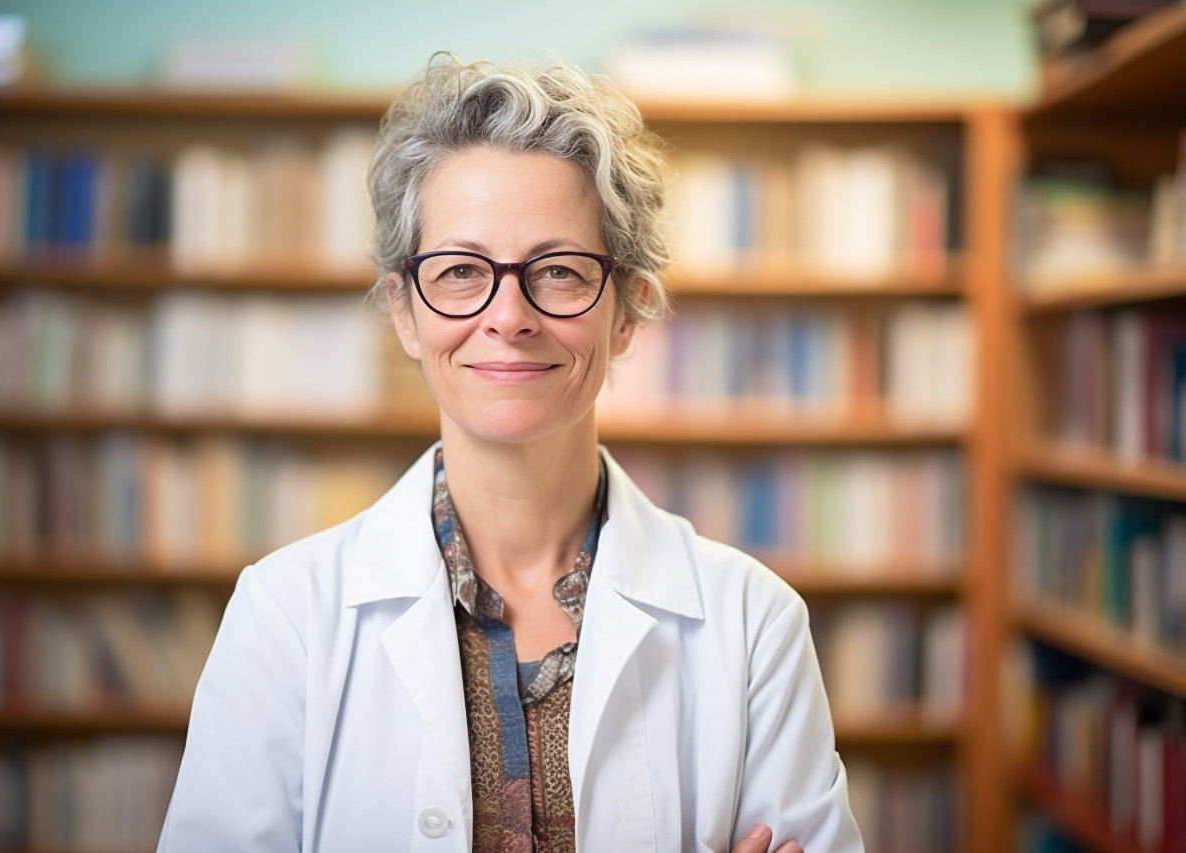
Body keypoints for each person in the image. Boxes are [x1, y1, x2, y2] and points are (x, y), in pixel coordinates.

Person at [158, 54, 863, 853]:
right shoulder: (284, 615)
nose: (509, 315)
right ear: (405, 311)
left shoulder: (752, 622)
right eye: (461, 271)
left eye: (557, 271)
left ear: (627, 309)